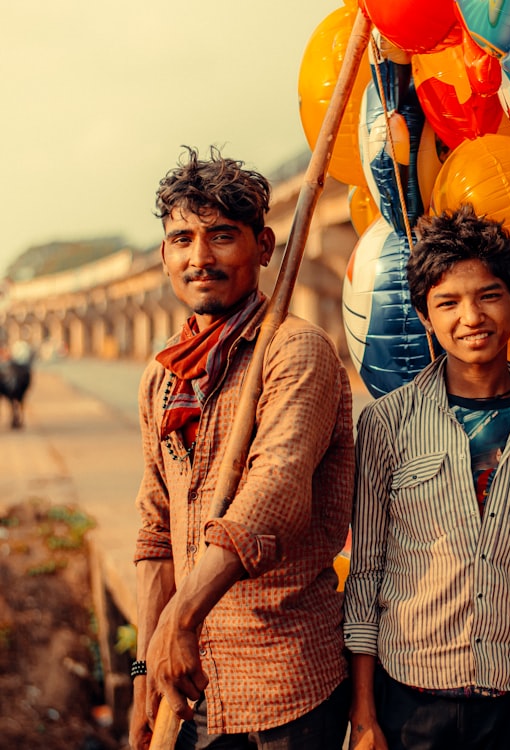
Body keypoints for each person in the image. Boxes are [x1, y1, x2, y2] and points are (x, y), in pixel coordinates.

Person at [129, 146, 354, 750]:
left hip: (284, 690)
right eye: (182, 239)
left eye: (221, 236)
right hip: (188, 685)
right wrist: (141, 672)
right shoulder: (163, 377)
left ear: (265, 246)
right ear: (164, 255)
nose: (199, 257)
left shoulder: (295, 351)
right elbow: (155, 533)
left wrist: (181, 617)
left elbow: (274, 493)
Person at [344, 204, 510, 750]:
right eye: (448, 302)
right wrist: (364, 716)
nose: (470, 316)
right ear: (426, 318)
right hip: (407, 699)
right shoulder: (387, 424)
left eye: (488, 296)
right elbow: (367, 573)